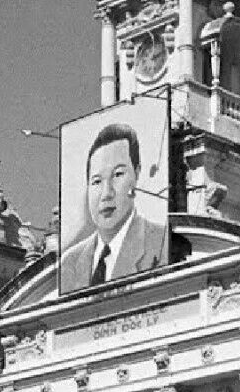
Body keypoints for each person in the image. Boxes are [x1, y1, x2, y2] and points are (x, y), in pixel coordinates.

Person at [59, 121, 167, 292]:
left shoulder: (160, 242)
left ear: (137, 173)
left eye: (118, 174)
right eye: (96, 181)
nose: (106, 193)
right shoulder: (69, 263)